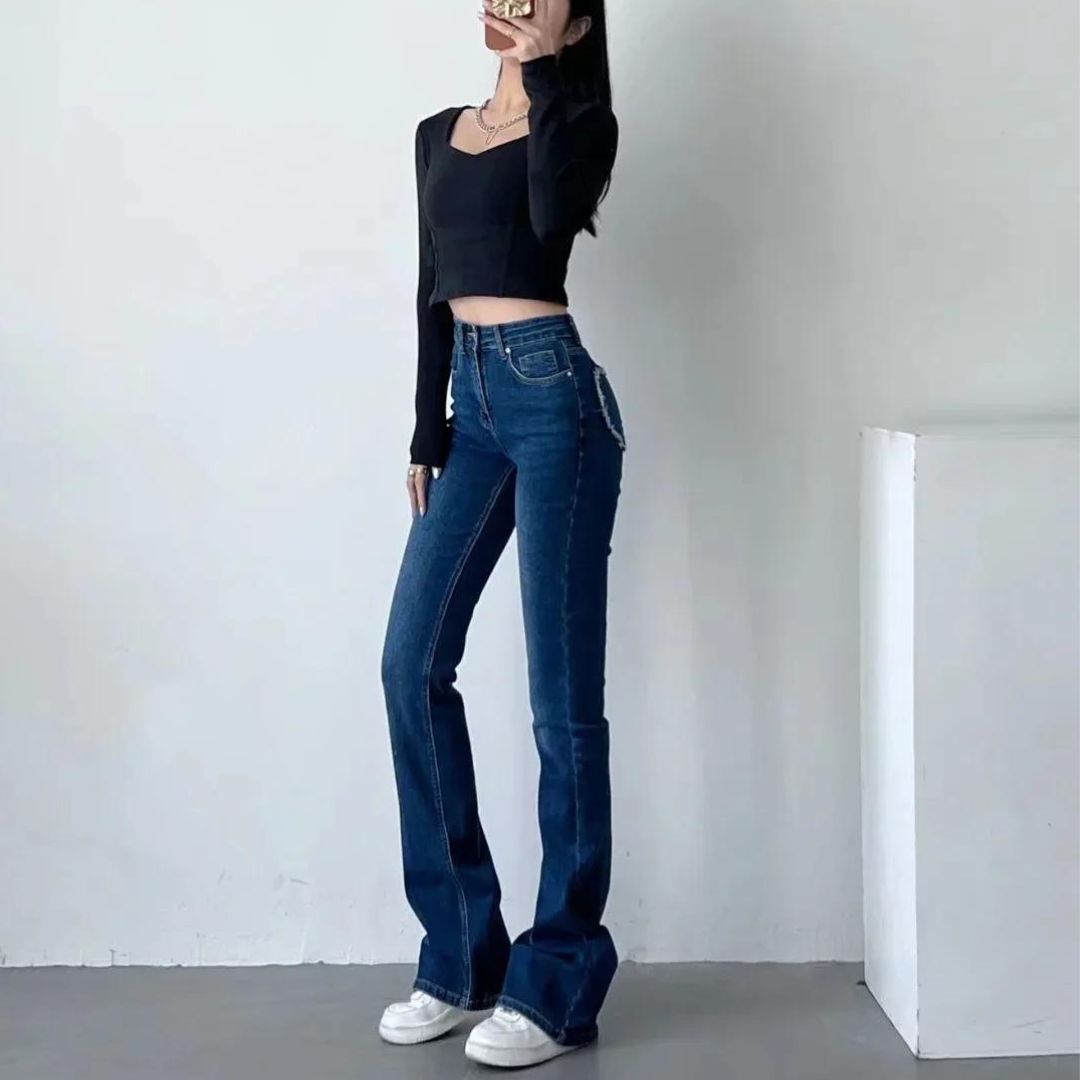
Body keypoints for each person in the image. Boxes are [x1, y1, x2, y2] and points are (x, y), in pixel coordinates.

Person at [378, 0, 625, 1068]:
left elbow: (550, 218)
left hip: (554, 394)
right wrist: (425, 428)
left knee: (561, 703)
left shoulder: (584, 124)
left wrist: (548, 81)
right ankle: (461, 957)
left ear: (579, 22)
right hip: (470, 412)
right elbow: (430, 284)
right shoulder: (436, 132)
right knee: (410, 664)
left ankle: (558, 981)